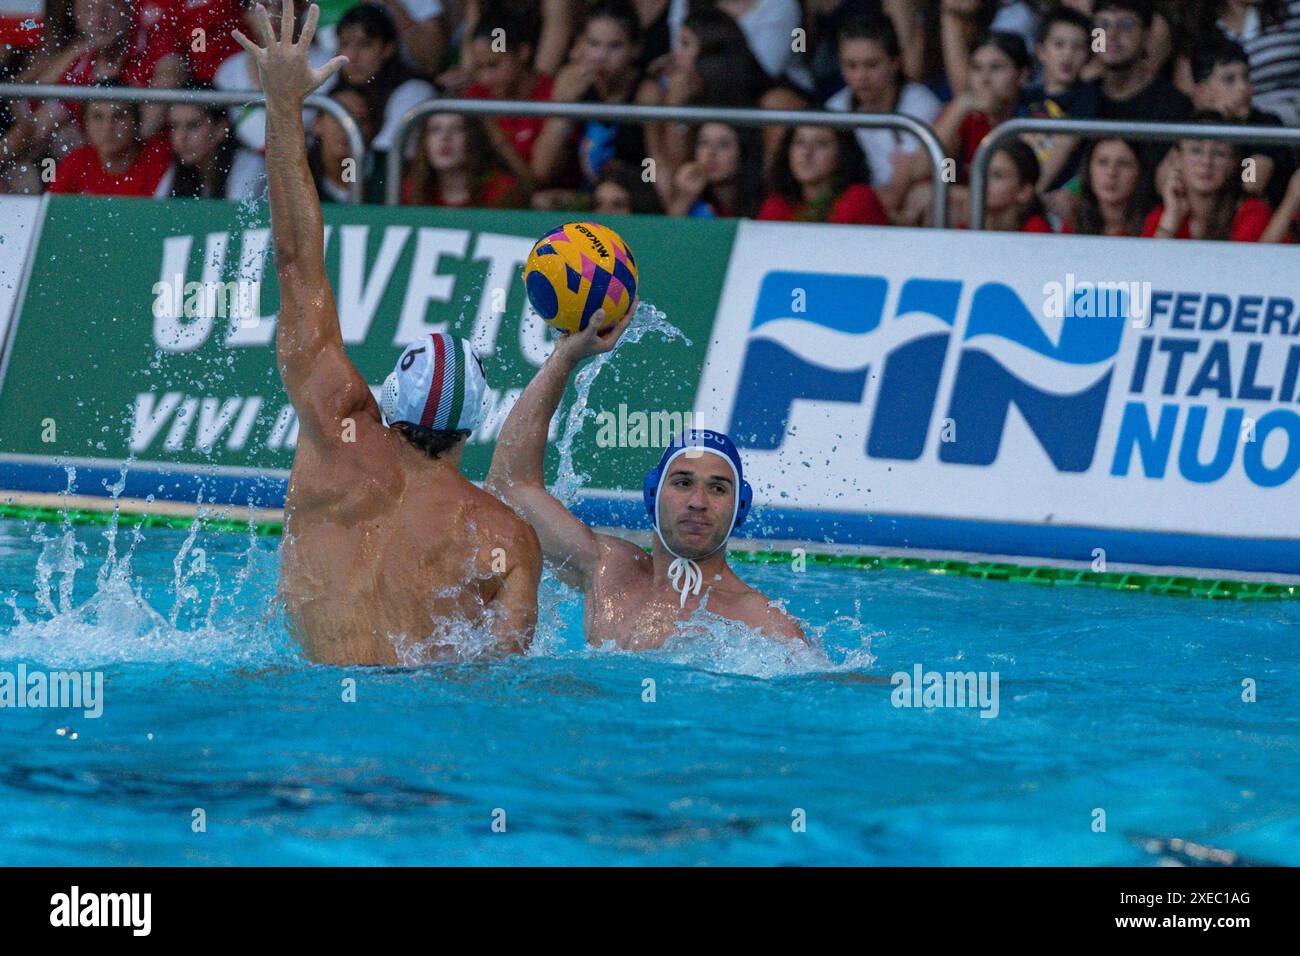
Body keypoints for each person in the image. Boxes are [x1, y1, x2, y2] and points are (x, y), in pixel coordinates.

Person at [232, 2, 541, 665]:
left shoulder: (331, 423)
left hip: (299, 718)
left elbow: (294, 260)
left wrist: (283, 107)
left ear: (389, 397)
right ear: (473, 425)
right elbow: (501, 678)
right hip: (408, 735)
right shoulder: (502, 535)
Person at [485, 312, 806, 649]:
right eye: (683, 483)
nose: (698, 501)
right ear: (653, 495)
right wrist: (563, 358)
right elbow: (509, 488)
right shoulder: (606, 568)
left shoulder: (766, 625)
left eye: (717, 489)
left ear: (740, 508)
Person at [825, 13, 943, 215]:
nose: (861, 76)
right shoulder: (835, 107)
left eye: (871, 65)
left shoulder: (919, 103)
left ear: (895, 63)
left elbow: (896, 193)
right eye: (851, 66)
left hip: (897, 208)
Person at [1191, 32, 1296, 209]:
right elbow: (1166, 180)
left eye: (1246, 77)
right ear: (1202, 92)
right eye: (1229, 80)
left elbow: (1251, 183)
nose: (1244, 88)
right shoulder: (1188, 124)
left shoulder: (1266, 125)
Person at [1143, 111, 1274, 240]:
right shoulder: (1162, 216)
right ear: (1177, 158)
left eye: (1219, 153)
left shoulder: (1252, 212)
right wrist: (1171, 220)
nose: (1206, 162)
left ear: (1233, 162)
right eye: (1196, 150)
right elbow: (1148, 262)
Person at [47, 87, 172, 196]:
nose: (108, 127)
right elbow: (52, 214)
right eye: (98, 117)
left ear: (135, 122)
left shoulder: (158, 158)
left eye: (118, 116)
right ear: (85, 124)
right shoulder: (76, 162)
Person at [758, 123, 889, 224]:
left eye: (821, 144)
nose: (807, 153)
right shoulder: (777, 204)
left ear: (843, 153)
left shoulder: (859, 199)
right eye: (799, 142)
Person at [401, 111, 530, 208]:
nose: (445, 137)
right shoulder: (412, 190)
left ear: (474, 139)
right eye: (435, 129)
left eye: (457, 129)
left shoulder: (502, 190)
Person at [156, 93, 267, 200]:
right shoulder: (176, 170)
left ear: (221, 129)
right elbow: (158, 214)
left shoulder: (250, 165)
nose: (181, 138)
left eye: (193, 125)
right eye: (175, 126)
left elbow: (234, 216)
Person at [666, 121, 764, 218]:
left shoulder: (766, 206)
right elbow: (668, 232)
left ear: (743, 153)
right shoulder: (693, 202)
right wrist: (684, 199)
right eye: (703, 143)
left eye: (723, 144)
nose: (711, 153)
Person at [1064, 136, 1153, 235]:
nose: (1111, 172)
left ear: (1140, 172)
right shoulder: (1073, 222)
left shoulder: (1155, 221)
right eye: (1102, 162)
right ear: (1088, 170)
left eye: (1123, 164)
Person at [975, 139, 1054, 231]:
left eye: (997, 175)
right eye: (983, 172)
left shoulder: (1036, 232)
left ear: (1024, 191)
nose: (984, 181)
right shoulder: (971, 224)